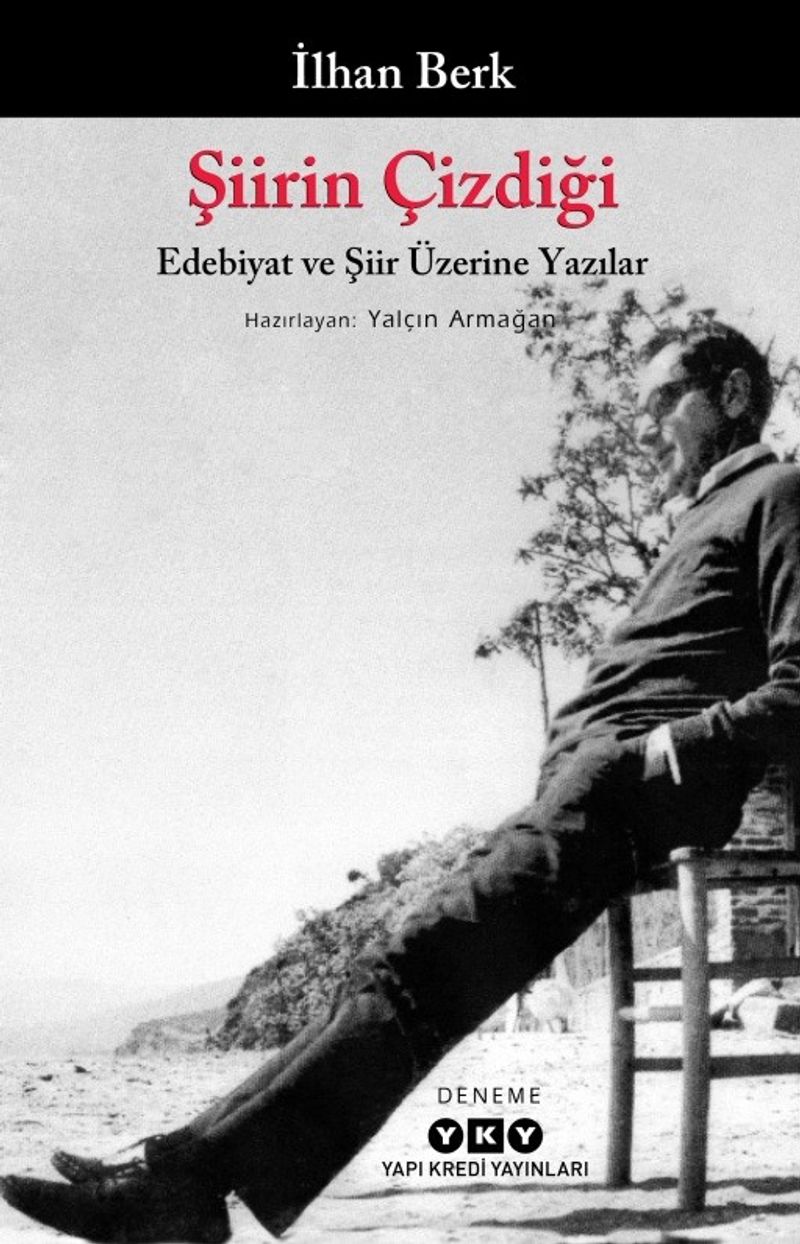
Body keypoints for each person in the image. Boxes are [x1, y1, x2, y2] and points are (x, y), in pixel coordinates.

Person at [3, 321, 800, 1242]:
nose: (649, 427)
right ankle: (181, 1169)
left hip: (634, 795)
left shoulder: (779, 494)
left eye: (666, 402)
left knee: (424, 959)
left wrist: (668, 747)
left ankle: (182, 1187)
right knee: (401, 961)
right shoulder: (706, 513)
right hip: (592, 791)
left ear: (733, 394)